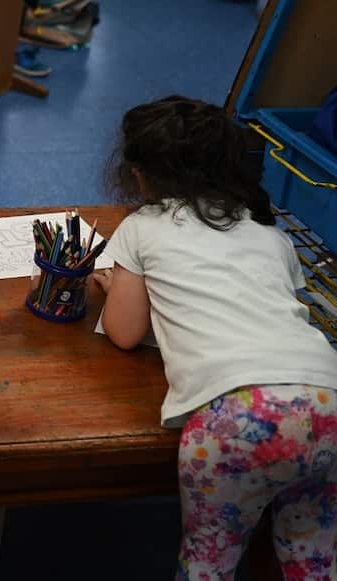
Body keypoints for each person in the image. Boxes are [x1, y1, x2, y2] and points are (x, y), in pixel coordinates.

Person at [93, 95, 337, 580]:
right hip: (328, 398)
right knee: (313, 555)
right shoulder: (270, 234)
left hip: (236, 416)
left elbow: (124, 334)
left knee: (209, 562)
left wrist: (109, 288)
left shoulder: (141, 226)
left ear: (138, 173)